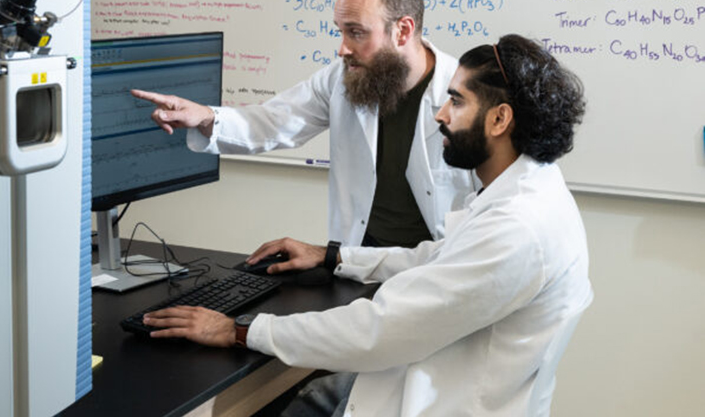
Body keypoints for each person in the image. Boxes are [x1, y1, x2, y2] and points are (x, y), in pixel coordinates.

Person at [142, 34, 592, 416]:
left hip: (443, 395)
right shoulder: (530, 190)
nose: (441, 115)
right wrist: (335, 256)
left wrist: (239, 329)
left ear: (499, 119)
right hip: (434, 370)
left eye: (456, 102)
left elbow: (384, 329)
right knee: (297, 397)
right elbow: (436, 257)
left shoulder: (518, 227)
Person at [132, 0, 475, 249]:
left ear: (403, 31)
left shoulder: (468, 96)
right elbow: (276, 121)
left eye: (356, 33)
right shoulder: (342, 79)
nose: (342, 49)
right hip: (357, 259)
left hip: (435, 269)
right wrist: (207, 116)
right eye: (341, 32)